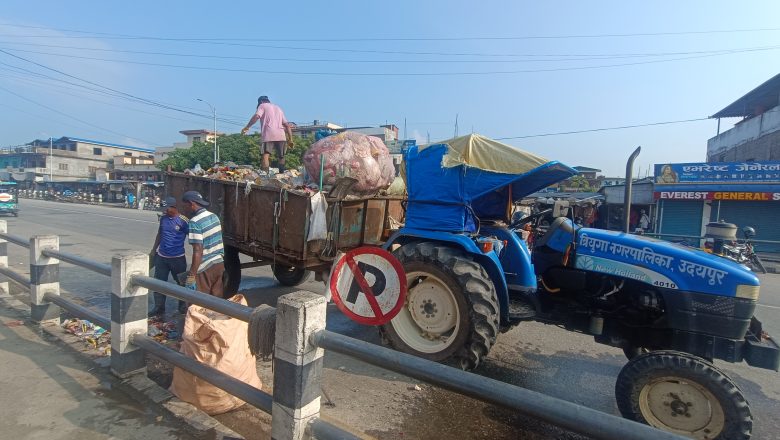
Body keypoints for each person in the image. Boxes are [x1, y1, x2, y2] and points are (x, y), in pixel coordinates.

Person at [149, 196, 189, 316]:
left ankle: (182, 308)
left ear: (174, 207)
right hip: (162, 257)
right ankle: (159, 307)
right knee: (159, 283)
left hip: (178, 258)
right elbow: (159, 234)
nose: (164, 211)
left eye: (166, 208)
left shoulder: (183, 221)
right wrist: (153, 250)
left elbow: (193, 238)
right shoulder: (163, 219)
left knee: (181, 284)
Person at [180, 190, 225, 298]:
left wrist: (192, 275)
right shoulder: (214, 216)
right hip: (219, 264)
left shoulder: (194, 222)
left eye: (185, 205)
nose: (184, 209)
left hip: (206, 268)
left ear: (191, 203)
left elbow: (198, 250)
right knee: (217, 300)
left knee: (199, 304)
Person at [241, 96, 294, 172]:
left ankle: (265, 175)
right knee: (281, 156)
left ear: (261, 101)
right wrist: (290, 139)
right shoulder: (278, 108)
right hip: (281, 135)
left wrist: (247, 127)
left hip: (268, 134)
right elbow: (287, 125)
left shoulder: (262, 105)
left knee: (265, 155)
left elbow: (256, 116)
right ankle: (281, 173)